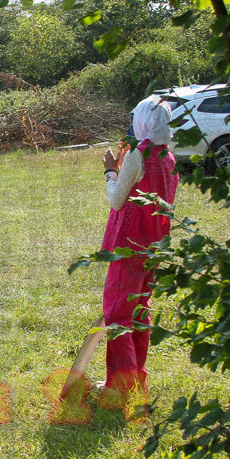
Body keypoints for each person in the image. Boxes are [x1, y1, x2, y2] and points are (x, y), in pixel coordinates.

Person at [98, 95, 179, 415]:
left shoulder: (137, 153)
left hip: (127, 246)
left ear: (145, 121)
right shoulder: (169, 157)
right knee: (139, 314)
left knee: (118, 315)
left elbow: (117, 200)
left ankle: (124, 390)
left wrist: (109, 171)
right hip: (154, 247)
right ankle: (135, 381)